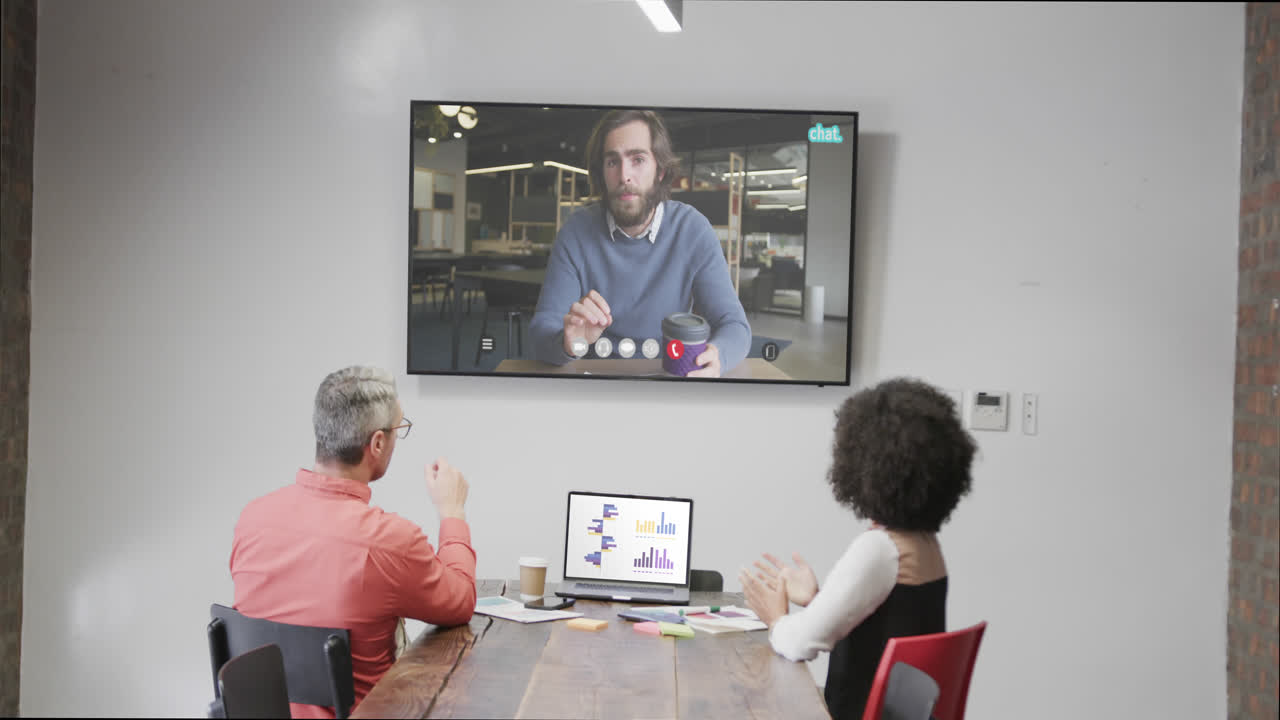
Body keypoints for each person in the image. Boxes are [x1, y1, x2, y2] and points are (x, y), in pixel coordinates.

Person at [229, 366, 476, 719]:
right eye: (398, 430)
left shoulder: (252, 520)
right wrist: (452, 512)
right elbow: (461, 601)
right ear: (377, 443)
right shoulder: (389, 542)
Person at [739, 378, 976, 720]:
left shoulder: (880, 549)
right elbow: (884, 619)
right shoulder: (926, 545)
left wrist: (776, 619)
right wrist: (817, 599)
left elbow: (800, 643)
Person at [529, 109, 751, 377]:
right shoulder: (576, 232)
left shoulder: (693, 230)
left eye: (638, 159)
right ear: (602, 173)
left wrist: (716, 357)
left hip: (669, 377)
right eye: (612, 162)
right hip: (595, 384)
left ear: (660, 171)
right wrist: (570, 341)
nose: (624, 176)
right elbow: (541, 334)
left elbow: (735, 325)